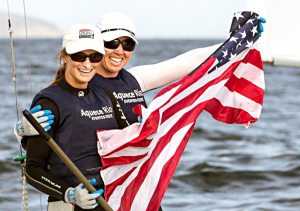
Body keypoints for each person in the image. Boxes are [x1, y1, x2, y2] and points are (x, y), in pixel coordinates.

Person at [16, 12, 266, 210]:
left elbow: (185, 63)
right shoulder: (72, 88)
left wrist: (236, 41)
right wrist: (20, 132)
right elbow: (51, 132)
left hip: (127, 193)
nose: (119, 50)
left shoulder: (130, 81)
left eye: (128, 43)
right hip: (77, 200)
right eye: (111, 42)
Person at [23, 23, 116, 211]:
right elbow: (32, 170)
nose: (87, 64)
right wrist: (69, 193)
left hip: (111, 201)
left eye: (95, 57)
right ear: (64, 56)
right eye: (79, 56)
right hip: (68, 205)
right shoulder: (49, 102)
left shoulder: (105, 95)